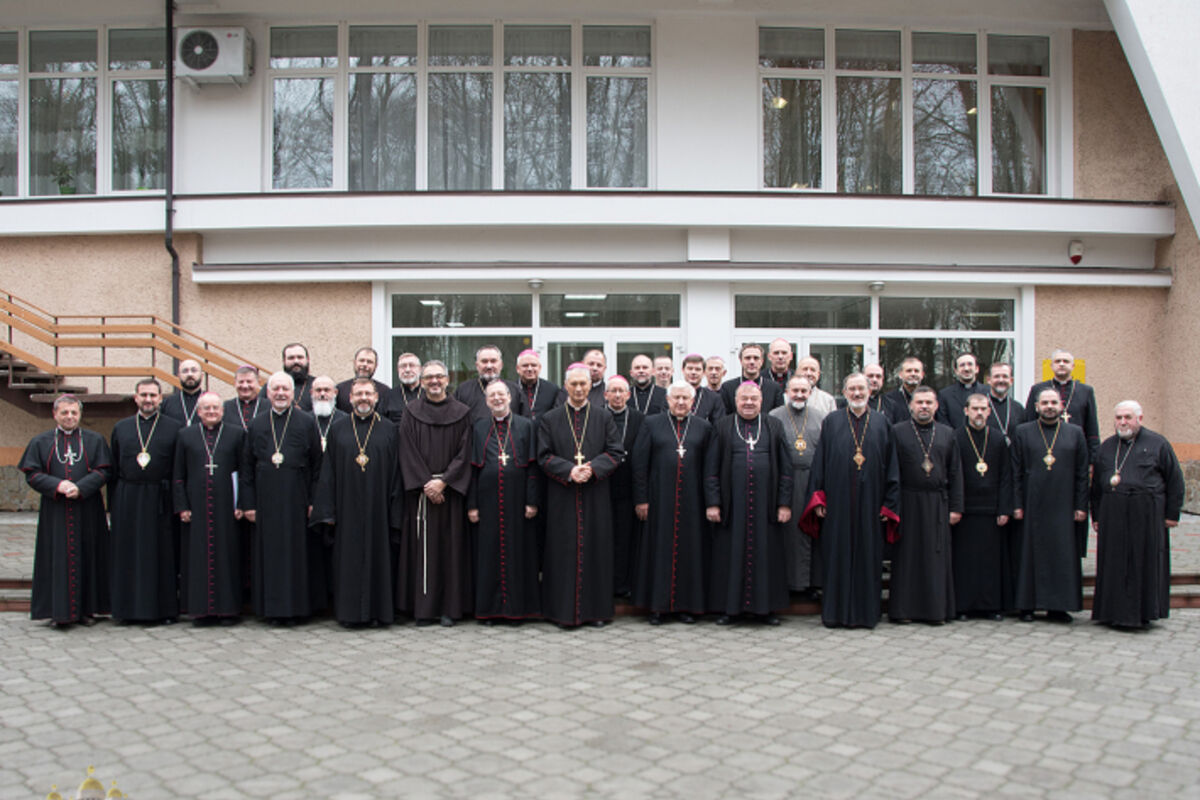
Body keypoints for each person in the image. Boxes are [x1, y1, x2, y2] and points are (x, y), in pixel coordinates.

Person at [800, 373, 900, 629]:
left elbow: (892, 467)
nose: (857, 393)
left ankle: (867, 615)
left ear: (869, 392)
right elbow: (820, 461)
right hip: (837, 504)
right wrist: (818, 498)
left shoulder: (882, 422)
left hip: (871, 505)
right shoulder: (832, 421)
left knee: (869, 558)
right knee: (837, 557)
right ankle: (835, 613)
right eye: (852, 389)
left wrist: (889, 504)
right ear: (843, 393)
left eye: (861, 389)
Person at [311, 378, 403, 628]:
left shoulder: (390, 429)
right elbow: (327, 472)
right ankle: (350, 615)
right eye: (358, 394)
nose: (363, 398)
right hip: (346, 509)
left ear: (376, 398)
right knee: (348, 562)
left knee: (380, 560)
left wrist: (396, 513)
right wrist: (327, 512)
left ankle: (379, 613)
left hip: (379, 510)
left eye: (368, 394)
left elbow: (397, 473)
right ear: (349, 398)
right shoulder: (338, 428)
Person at [537, 365, 624, 628]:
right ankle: (561, 613)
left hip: (595, 495)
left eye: (582, 385)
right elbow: (543, 455)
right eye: (573, 384)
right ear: (565, 386)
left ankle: (595, 612)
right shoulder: (549, 419)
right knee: (562, 551)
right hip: (562, 495)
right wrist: (570, 470)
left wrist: (592, 469)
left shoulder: (603, 417)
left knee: (596, 550)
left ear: (590, 387)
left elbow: (615, 452)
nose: (578, 389)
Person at [1090, 401, 1184, 629]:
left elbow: (1175, 481)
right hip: (1113, 515)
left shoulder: (1158, 443)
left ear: (1139, 419)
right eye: (1119, 417)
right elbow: (1096, 486)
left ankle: (1144, 613)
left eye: (1128, 417)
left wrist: (1172, 515)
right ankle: (1111, 613)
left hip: (1147, 514)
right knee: (1113, 563)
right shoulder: (1107, 447)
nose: (1123, 422)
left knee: (1144, 563)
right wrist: (1096, 515)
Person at [21, 394, 113, 628]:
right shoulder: (41, 441)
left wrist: (81, 488)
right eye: (65, 412)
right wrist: (58, 485)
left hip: (88, 508)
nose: (70, 417)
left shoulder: (94, 440)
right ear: (55, 415)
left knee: (89, 556)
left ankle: (87, 610)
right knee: (57, 558)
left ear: (80, 415)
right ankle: (58, 611)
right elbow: (32, 473)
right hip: (56, 509)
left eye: (74, 412)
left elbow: (105, 471)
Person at [706, 381, 792, 625]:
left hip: (766, 506)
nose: (748, 403)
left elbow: (786, 469)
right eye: (744, 398)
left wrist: (784, 504)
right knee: (730, 557)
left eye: (753, 398)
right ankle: (728, 609)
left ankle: (766, 610)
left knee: (766, 556)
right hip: (732, 507)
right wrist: (713, 502)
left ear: (761, 400)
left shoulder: (774, 425)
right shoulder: (722, 426)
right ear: (736, 400)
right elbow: (711, 469)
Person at [242, 371, 324, 625]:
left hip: (297, 500)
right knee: (269, 557)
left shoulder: (306, 422)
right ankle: (271, 610)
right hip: (265, 502)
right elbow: (246, 468)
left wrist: (313, 502)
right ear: (267, 393)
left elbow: (317, 466)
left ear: (292, 393)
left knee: (298, 555)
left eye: (285, 389)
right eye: (275, 389)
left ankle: (298, 610)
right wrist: (248, 505)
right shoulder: (256, 424)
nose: (280, 393)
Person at [396, 360, 474, 626]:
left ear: (447, 379)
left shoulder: (462, 412)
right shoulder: (411, 411)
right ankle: (424, 609)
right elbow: (406, 449)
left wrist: (444, 482)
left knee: (451, 552)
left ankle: (449, 610)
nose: (434, 381)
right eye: (428, 377)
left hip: (450, 494)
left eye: (439, 376)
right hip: (421, 495)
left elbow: (466, 452)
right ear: (422, 380)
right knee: (423, 553)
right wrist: (426, 483)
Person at [632, 381, 717, 624]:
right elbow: (639, 465)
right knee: (658, 552)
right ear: (667, 401)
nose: (680, 402)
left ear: (693, 402)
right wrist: (642, 500)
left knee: (691, 553)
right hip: (658, 501)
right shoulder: (651, 424)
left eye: (685, 398)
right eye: (676, 398)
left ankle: (686, 606)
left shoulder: (704, 427)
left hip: (693, 502)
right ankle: (658, 607)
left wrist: (710, 502)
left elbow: (710, 468)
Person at [1011, 389, 1089, 622]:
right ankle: (1027, 606)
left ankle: (1059, 607)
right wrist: (1016, 503)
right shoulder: (1023, 432)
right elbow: (1014, 471)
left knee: (1061, 555)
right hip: (1031, 503)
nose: (1049, 406)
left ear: (1061, 405)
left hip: (1063, 505)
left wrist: (1080, 505)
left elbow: (1082, 474)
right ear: (1036, 406)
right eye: (1044, 402)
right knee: (1028, 555)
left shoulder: (1075, 433)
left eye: (1053, 402)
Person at [108, 379, 182, 625]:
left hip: (161, 498)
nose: (148, 399)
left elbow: (178, 470)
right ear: (135, 397)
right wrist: (112, 507)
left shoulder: (174, 427)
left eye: (153, 395)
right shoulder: (121, 427)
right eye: (144, 395)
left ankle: (163, 610)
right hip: (128, 498)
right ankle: (126, 610)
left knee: (161, 554)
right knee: (128, 554)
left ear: (161, 398)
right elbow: (114, 469)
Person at [888, 386, 963, 624]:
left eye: (928, 403)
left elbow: (956, 473)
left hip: (938, 503)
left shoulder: (948, 433)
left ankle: (935, 612)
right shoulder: (898, 432)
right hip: (908, 502)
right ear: (910, 405)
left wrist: (956, 507)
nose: (923, 407)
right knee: (907, 557)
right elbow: (891, 472)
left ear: (936, 405)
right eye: (919, 402)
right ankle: (904, 611)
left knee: (935, 557)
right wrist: (892, 506)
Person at [466, 381, 540, 623]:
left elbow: (532, 468)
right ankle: (489, 610)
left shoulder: (526, 426)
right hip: (487, 503)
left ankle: (517, 610)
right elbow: (473, 470)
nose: (497, 399)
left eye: (501, 394)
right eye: (492, 396)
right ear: (486, 401)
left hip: (518, 502)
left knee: (519, 554)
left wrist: (532, 501)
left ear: (509, 397)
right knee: (488, 555)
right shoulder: (478, 427)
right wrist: (472, 505)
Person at [173, 392, 246, 625]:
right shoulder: (185, 435)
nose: (212, 411)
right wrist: (182, 505)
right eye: (207, 408)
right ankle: (201, 611)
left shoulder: (236, 434)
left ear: (223, 411)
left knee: (228, 557)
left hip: (227, 508)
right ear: (199, 411)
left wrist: (242, 504)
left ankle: (229, 611)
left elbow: (244, 473)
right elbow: (178, 475)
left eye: (216, 407)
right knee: (198, 559)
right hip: (197, 507)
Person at [953, 393, 1014, 621]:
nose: (979, 413)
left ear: (989, 411)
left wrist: (1004, 509)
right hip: (966, 511)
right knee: (966, 561)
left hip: (992, 511)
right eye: (975, 408)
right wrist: (956, 506)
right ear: (966, 411)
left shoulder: (998, 439)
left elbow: (1007, 476)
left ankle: (991, 606)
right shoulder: (957, 437)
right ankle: (964, 606)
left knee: (991, 562)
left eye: (983, 409)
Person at [769, 375, 827, 596]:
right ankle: (788, 583)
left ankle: (811, 584)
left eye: (804, 391)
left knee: (811, 532)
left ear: (811, 392)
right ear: (786, 392)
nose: (800, 395)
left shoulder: (822, 418)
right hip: (785, 482)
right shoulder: (774, 416)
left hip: (813, 481)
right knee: (788, 535)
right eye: (795, 391)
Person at [1023, 349, 1100, 464]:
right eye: (1058, 361)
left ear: (1073, 366)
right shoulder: (1038, 389)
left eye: (1066, 361)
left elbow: (1092, 427)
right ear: (1052, 366)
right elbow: (1029, 421)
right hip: (1043, 449)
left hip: (1075, 451)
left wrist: (1092, 460)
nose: (1062, 364)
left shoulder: (1085, 391)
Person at [604, 375, 644, 598]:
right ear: (606, 395)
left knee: (626, 538)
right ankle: (604, 584)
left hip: (628, 488)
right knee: (603, 538)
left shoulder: (639, 418)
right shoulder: (598, 416)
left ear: (629, 395)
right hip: (602, 488)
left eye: (622, 391)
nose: (618, 395)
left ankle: (624, 584)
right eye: (613, 391)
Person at [454, 344, 520, 423]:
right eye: (484, 361)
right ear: (477, 365)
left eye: (493, 361)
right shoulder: (463, 389)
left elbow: (523, 423)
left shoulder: (514, 389)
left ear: (501, 365)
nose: (489, 366)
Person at [719, 343, 783, 414]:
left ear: (762, 361)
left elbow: (778, 416)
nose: (752, 362)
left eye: (756, 358)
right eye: (747, 358)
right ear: (741, 361)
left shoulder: (774, 388)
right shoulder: (728, 388)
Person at [935, 352, 986, 430]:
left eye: (970, 364)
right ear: (956, 371)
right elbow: (943, 423)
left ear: (977, 369)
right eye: (962, 365)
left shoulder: (988, 392)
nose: (966, 369)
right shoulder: (944, 395)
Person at [335, 347, 391, 415]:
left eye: (369, 362)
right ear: (354, 362)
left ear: (376, 366)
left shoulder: (386, 392)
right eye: (361, 360)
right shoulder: (340, 389)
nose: (365, 364)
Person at [261, 343, 316, 411]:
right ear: (284, 361)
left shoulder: (318, 386)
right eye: (291, 358)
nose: (296, 361)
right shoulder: (271, 386)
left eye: (300, 357)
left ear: (307, 360)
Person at [514, 349, 564, 421]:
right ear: (517, 368)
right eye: (525, 365)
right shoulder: (511, 389)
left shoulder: (552, 389)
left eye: (534, 365)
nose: (530, 369)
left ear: (540, 368)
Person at [984, 362, 1024, 446]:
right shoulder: (980, 407)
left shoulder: (1018, 408)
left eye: (1005, 376)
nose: (1001, 380)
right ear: (989, 380)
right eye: (996, 376)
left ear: (1011, 380)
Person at [681, 353, 724, 424]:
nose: (693, 372)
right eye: (690, 368)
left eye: (697, 369)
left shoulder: (714, 398)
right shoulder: (672, 395)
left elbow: (718, 426)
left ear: (704, 372)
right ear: (683, 370)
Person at [162, 358, 204, 427]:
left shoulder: (212, 402)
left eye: (194, 370)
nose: (190, 374)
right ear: (179, 376)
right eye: (185, 371)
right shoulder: (167, 403)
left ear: (202, 375)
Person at [223, 365, 266, 432]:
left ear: (258, 383)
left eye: (249, 381)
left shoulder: (269, 406)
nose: (245, 386)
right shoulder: (225, 407)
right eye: (241, 382)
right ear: (235, 383)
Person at [310, 376, 346, 453]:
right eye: (318, 390)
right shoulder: (305, 420)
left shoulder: (345, 420)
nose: (322, 394)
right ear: (311, 393)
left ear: (335, 393)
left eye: (326, 390)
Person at [385, 351, 423, 424]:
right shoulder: (388, 396)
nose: (407, 370)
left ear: (420, 369)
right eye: (403, 366)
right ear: (398, 370)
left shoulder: (429, 395)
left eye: (412, 365)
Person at [884, 357, 924, 424]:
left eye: (916, 371)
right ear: (900, 374)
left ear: (922, 375)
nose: (913, 374)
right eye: (909, 371)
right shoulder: (889, 398)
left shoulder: (929, 398)